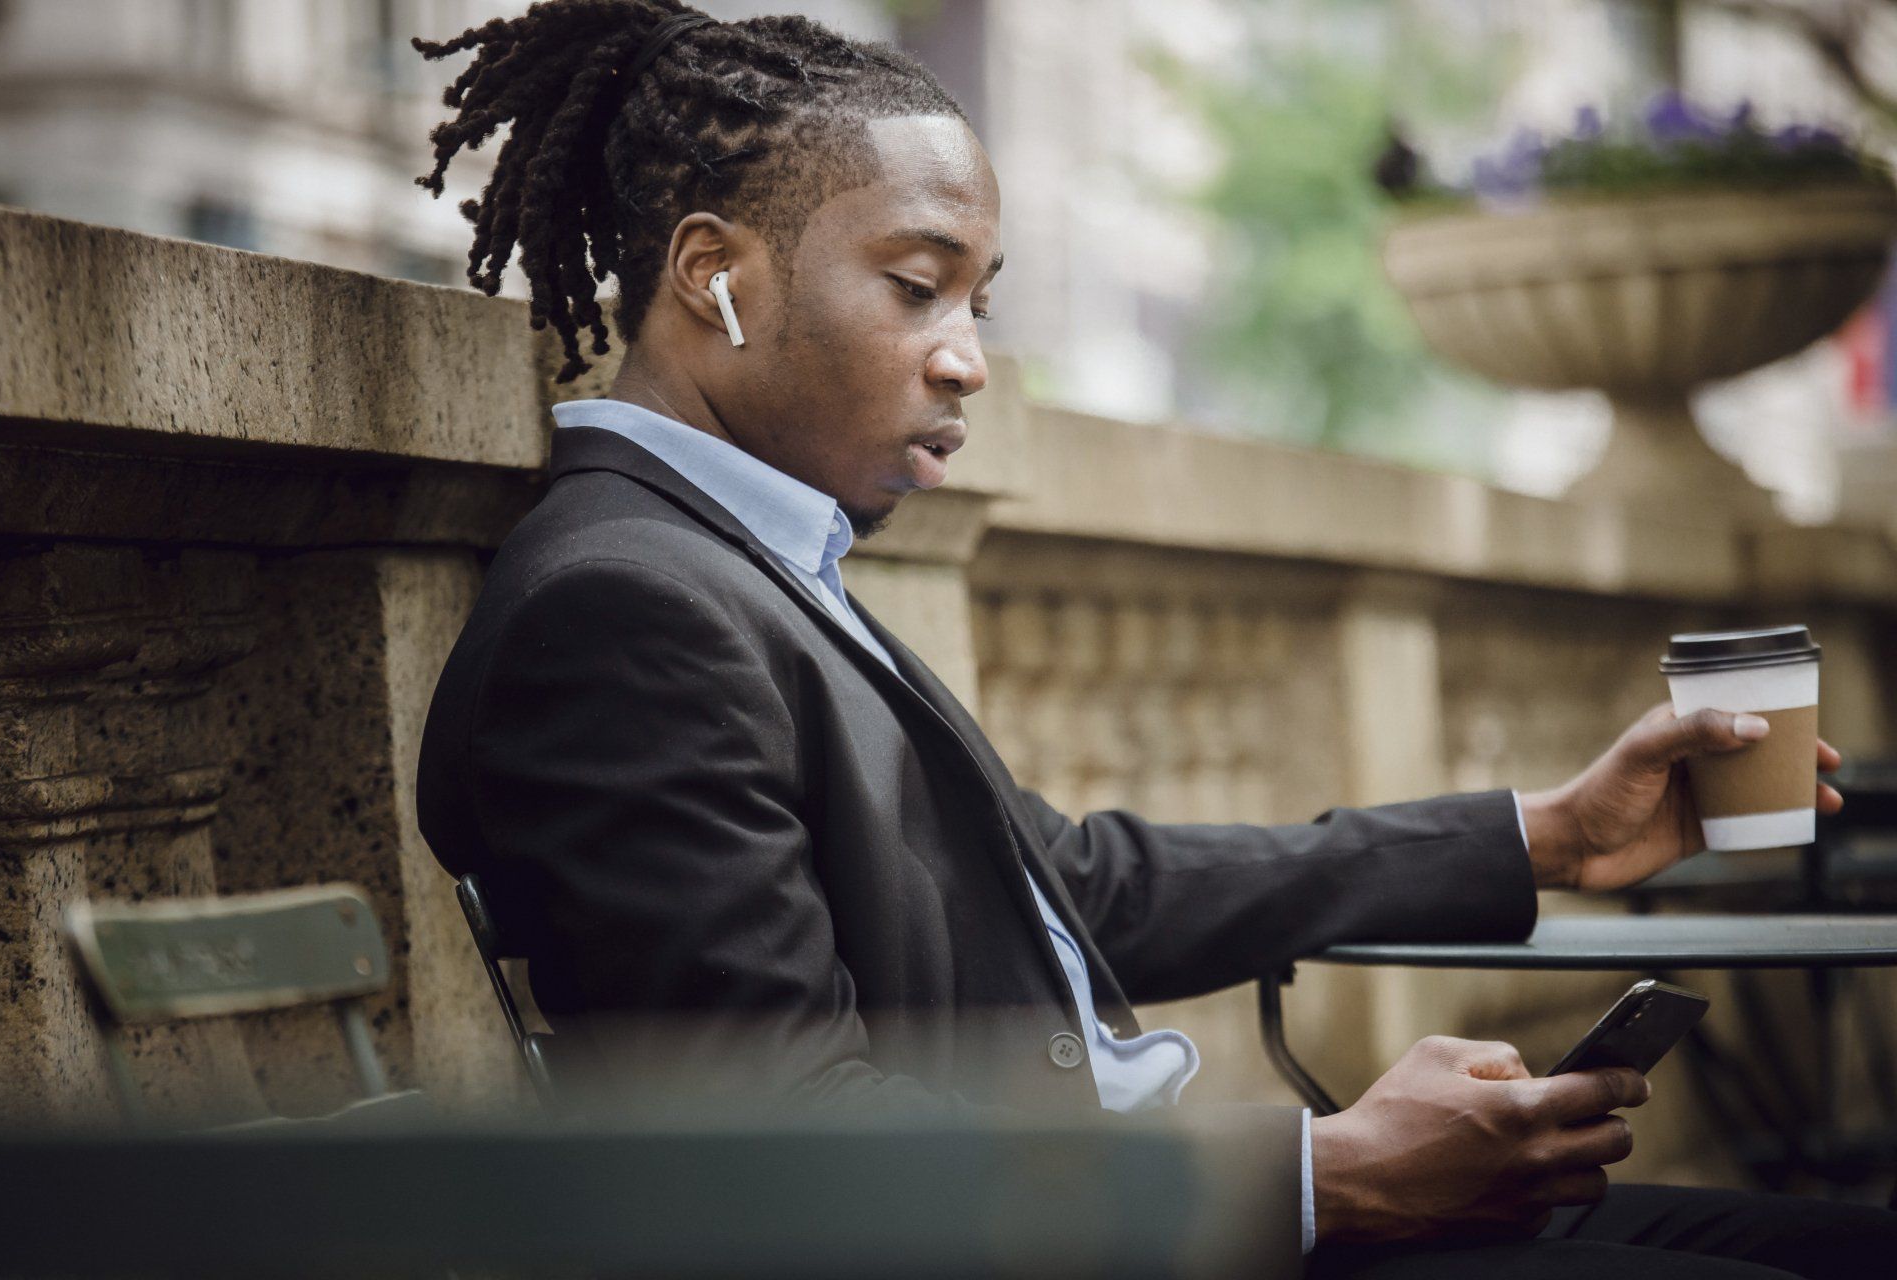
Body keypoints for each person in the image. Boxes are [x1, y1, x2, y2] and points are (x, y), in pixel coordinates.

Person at [409, 4, 1895, 1276]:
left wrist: (1543, 837)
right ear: (713, 275)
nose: (969, 359)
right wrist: (1325, 1174)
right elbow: (783, 1153)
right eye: (916, 287)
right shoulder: (625, 612)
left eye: (977, 302)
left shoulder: (738, 563)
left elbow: (1075, 885)